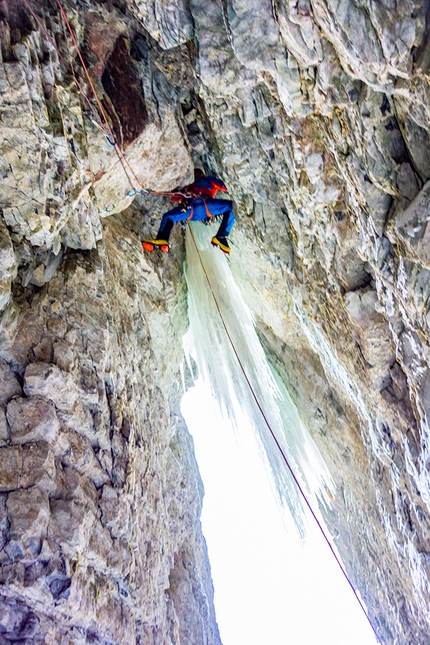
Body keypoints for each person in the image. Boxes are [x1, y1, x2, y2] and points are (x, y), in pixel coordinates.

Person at [142, 169, 235, 254]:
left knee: (169, 216)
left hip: (191, 210)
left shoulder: (188, 185)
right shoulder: (207, 180)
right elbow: (225, 186)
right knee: (231, 207)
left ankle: (162, 238)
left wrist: (181, 191)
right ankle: (221, 236)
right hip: (204, 208)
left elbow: (175, 197)